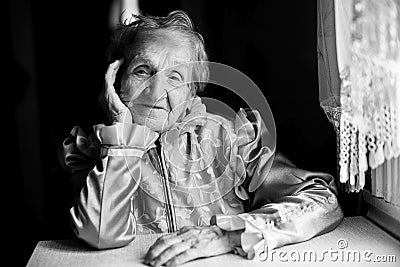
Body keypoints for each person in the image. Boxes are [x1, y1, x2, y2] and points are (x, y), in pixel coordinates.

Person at [59, 10, 344, 266]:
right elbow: (99, 233)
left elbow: (321, 202)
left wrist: (228, 234)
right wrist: (122, 138)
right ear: (116, 82)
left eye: (176, 78)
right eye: (142, 71)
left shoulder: (232, 138)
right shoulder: (95, 148)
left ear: (192, 92)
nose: (156, 89)